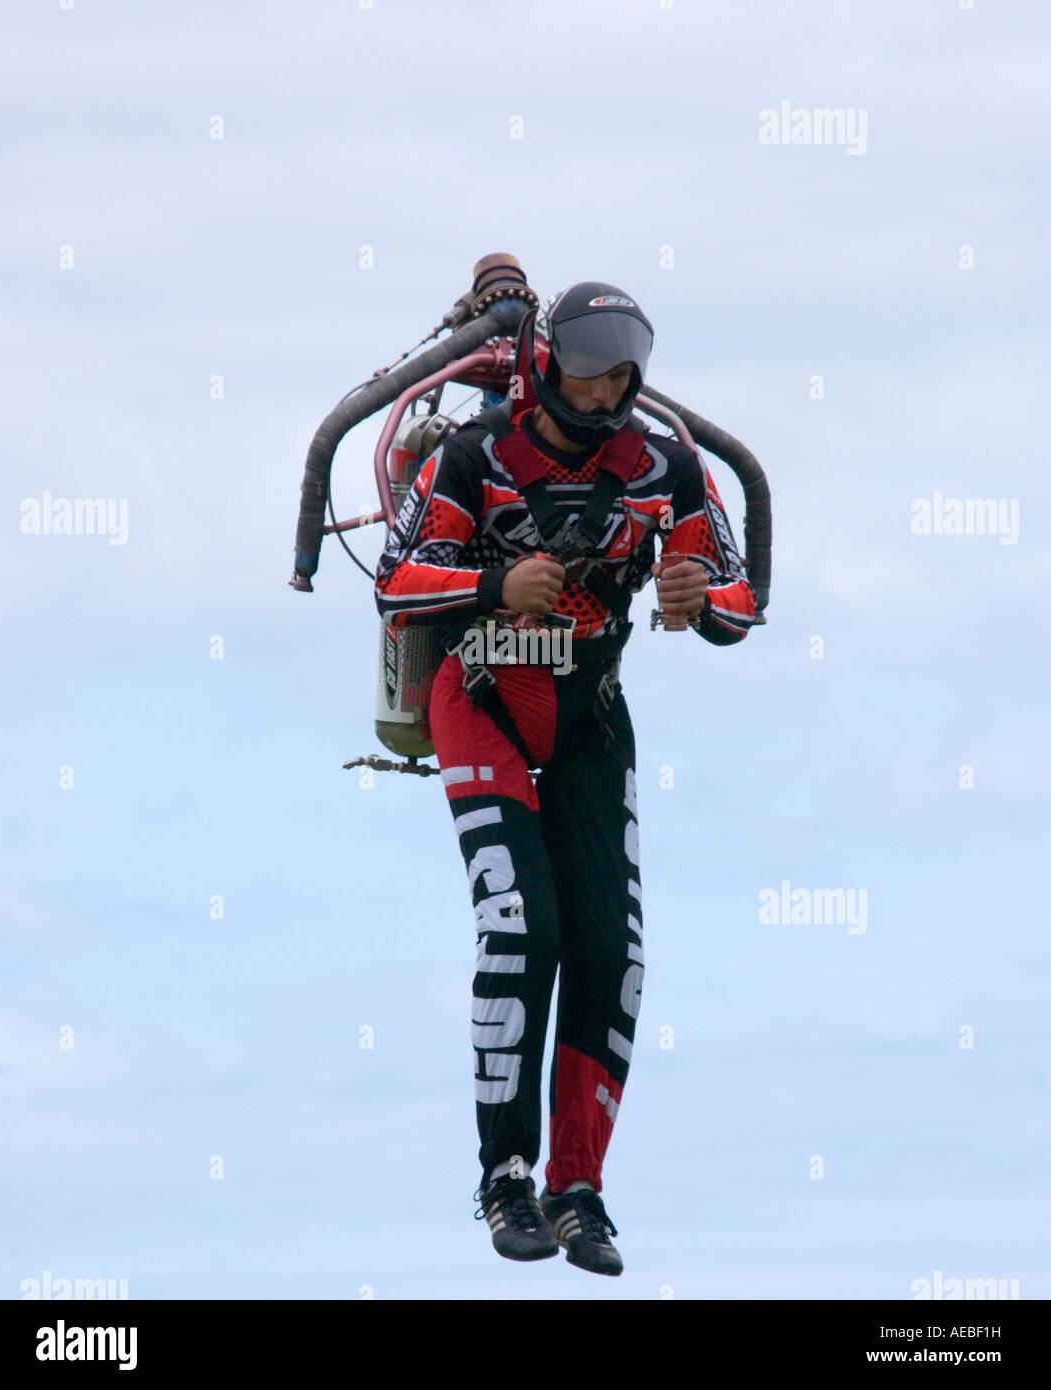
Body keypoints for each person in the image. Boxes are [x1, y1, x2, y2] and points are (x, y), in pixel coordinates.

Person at [374, 282, 756, 1276]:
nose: (602, 400)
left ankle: (577, 1188)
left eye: (621, 381)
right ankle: (506, 1174)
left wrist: (692, 592)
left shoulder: (665, 466)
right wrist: (498, 583)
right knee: (521, 928)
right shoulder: (474, 455)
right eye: (586, 378)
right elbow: (397, 576)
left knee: (612, 952)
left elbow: (739, 595)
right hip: (481, 696)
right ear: (546, 367)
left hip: (589, 715)